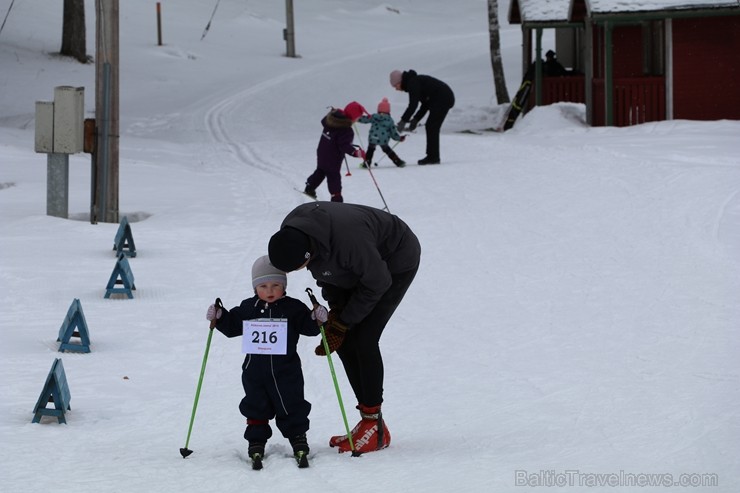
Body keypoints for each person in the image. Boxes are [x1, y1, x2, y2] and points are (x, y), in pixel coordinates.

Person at [267, 202, 421, 454]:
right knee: (345, 340)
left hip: (394, 260)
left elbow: (376, 282)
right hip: (358, 262)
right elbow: (326, 273)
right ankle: (370, 422)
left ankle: (374, 426)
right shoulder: (292, 230)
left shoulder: (349, 243)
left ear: (306, 254)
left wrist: (344, 321)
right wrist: (337, 308)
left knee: (364, 338)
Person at [205, 255, 327, 467]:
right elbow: (233, 325)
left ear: (284, 286)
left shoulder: (293, 308)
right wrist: (220, 316)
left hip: (287, 371)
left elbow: (307, 327)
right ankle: (256, 441)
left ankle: (298, 438)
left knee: (292, 403)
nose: (270, 291)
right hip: (255, 371)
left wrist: (316, 318)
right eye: (263, 286)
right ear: (255, 287)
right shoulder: (248, 308)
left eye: (276, 285)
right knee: (256, 405)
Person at [303, 101, 367, 202]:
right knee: (334, 176)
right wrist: (356, 153)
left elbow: (324, 120)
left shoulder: (332, 120)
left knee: (321, 170)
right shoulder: (346, 130)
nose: (358, 120)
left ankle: (309, 187)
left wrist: (336, 112)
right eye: (358, 118)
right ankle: (336, 198)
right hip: (333, 158)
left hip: (322, 152)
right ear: (354, 117)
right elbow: (344, 146)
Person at [390, 69, 455, 165]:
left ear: (400, 82)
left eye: (395, 86)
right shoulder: (414, 82)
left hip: (443, 97)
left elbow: (413, 105)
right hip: (441, 98)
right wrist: (415, 120)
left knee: (432, 126)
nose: (396, 89)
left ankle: (433, 157)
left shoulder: (413, 83)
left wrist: (403, 121)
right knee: (431, 126)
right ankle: (432, 156)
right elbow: (425, 104)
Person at [357, 97, 406, 168]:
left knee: (370, 149)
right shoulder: (390, 120)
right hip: (383, 139)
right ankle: (398, 162)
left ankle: (367, 163)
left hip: (373, 137)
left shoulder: (374, 116)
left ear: (379, 109)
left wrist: (356, 118)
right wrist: (399, 138)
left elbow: (365, 119)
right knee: (387, 150)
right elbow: (393, 132)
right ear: (388, 111)